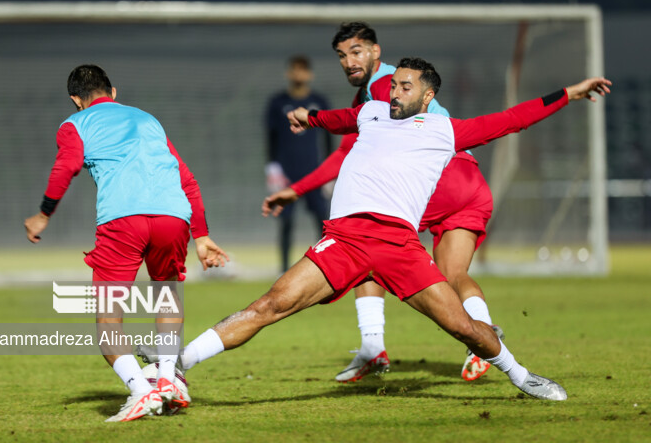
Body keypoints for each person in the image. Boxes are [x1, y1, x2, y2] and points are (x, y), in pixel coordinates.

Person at [177, 58, 610, 403]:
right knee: (269, 305)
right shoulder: (371, 113)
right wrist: (309, 118)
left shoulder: (447, 130)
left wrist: (570, 93)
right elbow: (339, 118)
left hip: (399, 246)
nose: (395, 91)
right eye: (394, 84)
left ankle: (522, 376)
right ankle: (176, 365)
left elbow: (516, 117)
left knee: (462, 327)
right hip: (344, 240)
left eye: (405, 86)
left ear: (428, 95)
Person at [262, 22, 500, 383]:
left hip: (441, 179)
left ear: (376, 51)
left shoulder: (381, 89)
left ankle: (373, 348)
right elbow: (347, 152)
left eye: (357, 51)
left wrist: (298, 188)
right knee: (454, 274)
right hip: (471, 181)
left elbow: (344, 155)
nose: (349, 61)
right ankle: (483, 337)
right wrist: (298, 189)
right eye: (342, 55)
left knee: (366, 241)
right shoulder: (385, 90)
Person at [23, 64, 228, 422]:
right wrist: (203, 235)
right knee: (166, 298)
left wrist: (43, 214)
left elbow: (66, 167)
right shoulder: (148, 120)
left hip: (123, 221)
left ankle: (140, 391)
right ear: (112, 92)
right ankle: (169, 381)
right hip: (173, 218)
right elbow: (187, 178)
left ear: (76, 100)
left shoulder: (74, 124)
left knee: (108, 319)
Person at [264, 55, 331, 272]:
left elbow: (329, 138)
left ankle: (324, 267)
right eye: (294, 69)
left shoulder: (320, 102)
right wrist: (272, 167)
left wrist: (331, 172)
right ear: (288, 73)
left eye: (303, 70)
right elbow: (270, 137)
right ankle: (283, 269)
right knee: (286, 221)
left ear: (310, 74)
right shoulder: (277, 103)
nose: (298, 74)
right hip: (287, 173)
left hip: (314, 172)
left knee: (323, 221)